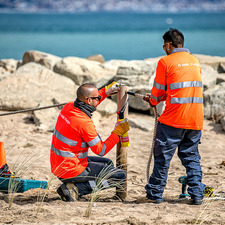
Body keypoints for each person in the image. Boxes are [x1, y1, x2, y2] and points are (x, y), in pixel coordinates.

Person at [142, 28, 205, 205]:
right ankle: (197, 194)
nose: (164, 49)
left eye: (164, 46)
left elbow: (158, 92)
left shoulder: (165, 61)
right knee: (191, 156)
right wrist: (160, 97)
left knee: (162, 157)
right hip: (195, 120)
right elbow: (180, 90)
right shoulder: (195, 61)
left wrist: (153, 100)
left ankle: (155, 194)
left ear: (169, 45)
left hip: (174, 119)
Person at [50, 82, 129, 202]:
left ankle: (72, 185)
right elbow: (101, 150)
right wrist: (117, 133)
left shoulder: (69, 107)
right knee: (119, 176)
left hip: (59, 164)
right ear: (88, 100)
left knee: (108, 164)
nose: (98, 99)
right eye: (97, 98)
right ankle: (76, 189)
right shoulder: (84, 122)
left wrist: (105, 92)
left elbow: (89, 101)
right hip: (70, 169)